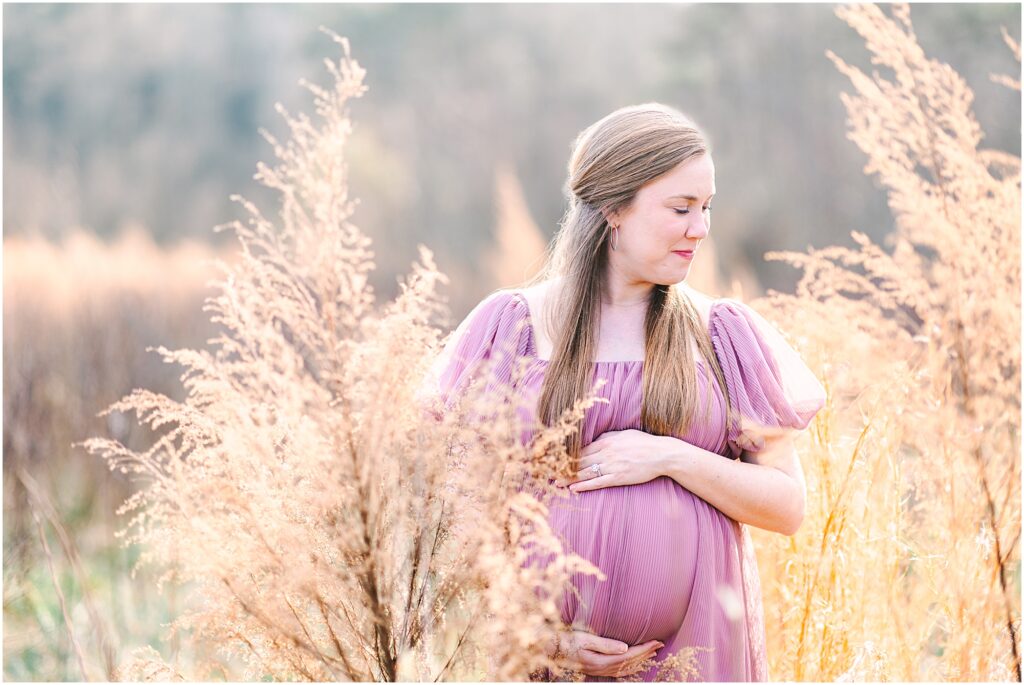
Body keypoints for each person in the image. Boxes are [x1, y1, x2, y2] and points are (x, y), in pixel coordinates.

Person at [434, 103, 827, 681]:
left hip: (696, 656)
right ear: (614, 208)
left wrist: (669, 457)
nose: (701, 228)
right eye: (681, 208)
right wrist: (536, 632)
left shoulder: (722, 335)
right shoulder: (512, 329)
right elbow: (454, 510)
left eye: (707, 207)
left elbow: (788, 508)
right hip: (546, 663)